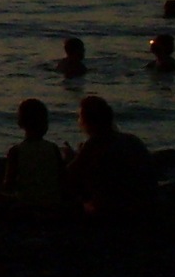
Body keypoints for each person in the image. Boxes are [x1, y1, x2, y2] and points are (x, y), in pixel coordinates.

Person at [65, 95, 156, 223]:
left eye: (80, 117)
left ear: (87, 120)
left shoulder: (95, 143)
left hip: (116, 212)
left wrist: (70, 159)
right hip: (146, 205)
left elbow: (68, 176)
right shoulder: (131, 139)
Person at [0, 99, 68, 213]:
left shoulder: (16, 151)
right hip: (52, 205)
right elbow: (62, 178)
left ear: (20, 123)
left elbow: (9, 184)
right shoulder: (53, 148)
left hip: (26, 206)